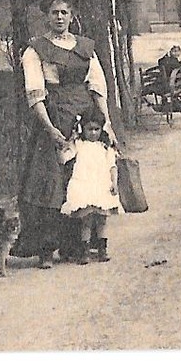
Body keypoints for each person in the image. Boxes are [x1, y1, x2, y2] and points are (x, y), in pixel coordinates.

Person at [15, 0, 117, 266]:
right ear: (46, 16)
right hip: (55, 119)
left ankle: (79, 244)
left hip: (85, 121)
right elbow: (35, 93)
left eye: (65, 12)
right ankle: (46, 248)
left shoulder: (85, 48)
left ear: (73, 16)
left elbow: (97, 87)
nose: (59, 17)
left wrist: (105, 123)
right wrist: (50, 129)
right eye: (54, 12)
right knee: (51, 183)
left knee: (84, 179)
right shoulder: (35, 50)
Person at [59, 113, 119, 264]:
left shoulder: (105, 147)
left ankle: (102, 249)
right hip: (84, 185)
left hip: (101, 185)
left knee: (102, 220)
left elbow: (112, 166)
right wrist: (69, 141)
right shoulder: (79, 144)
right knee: (86, 220)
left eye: (96, 129)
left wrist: (114, 183)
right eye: (89, 129)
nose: (93, 133)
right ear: (83, 129)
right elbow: (64, 158)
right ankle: (84, 251)